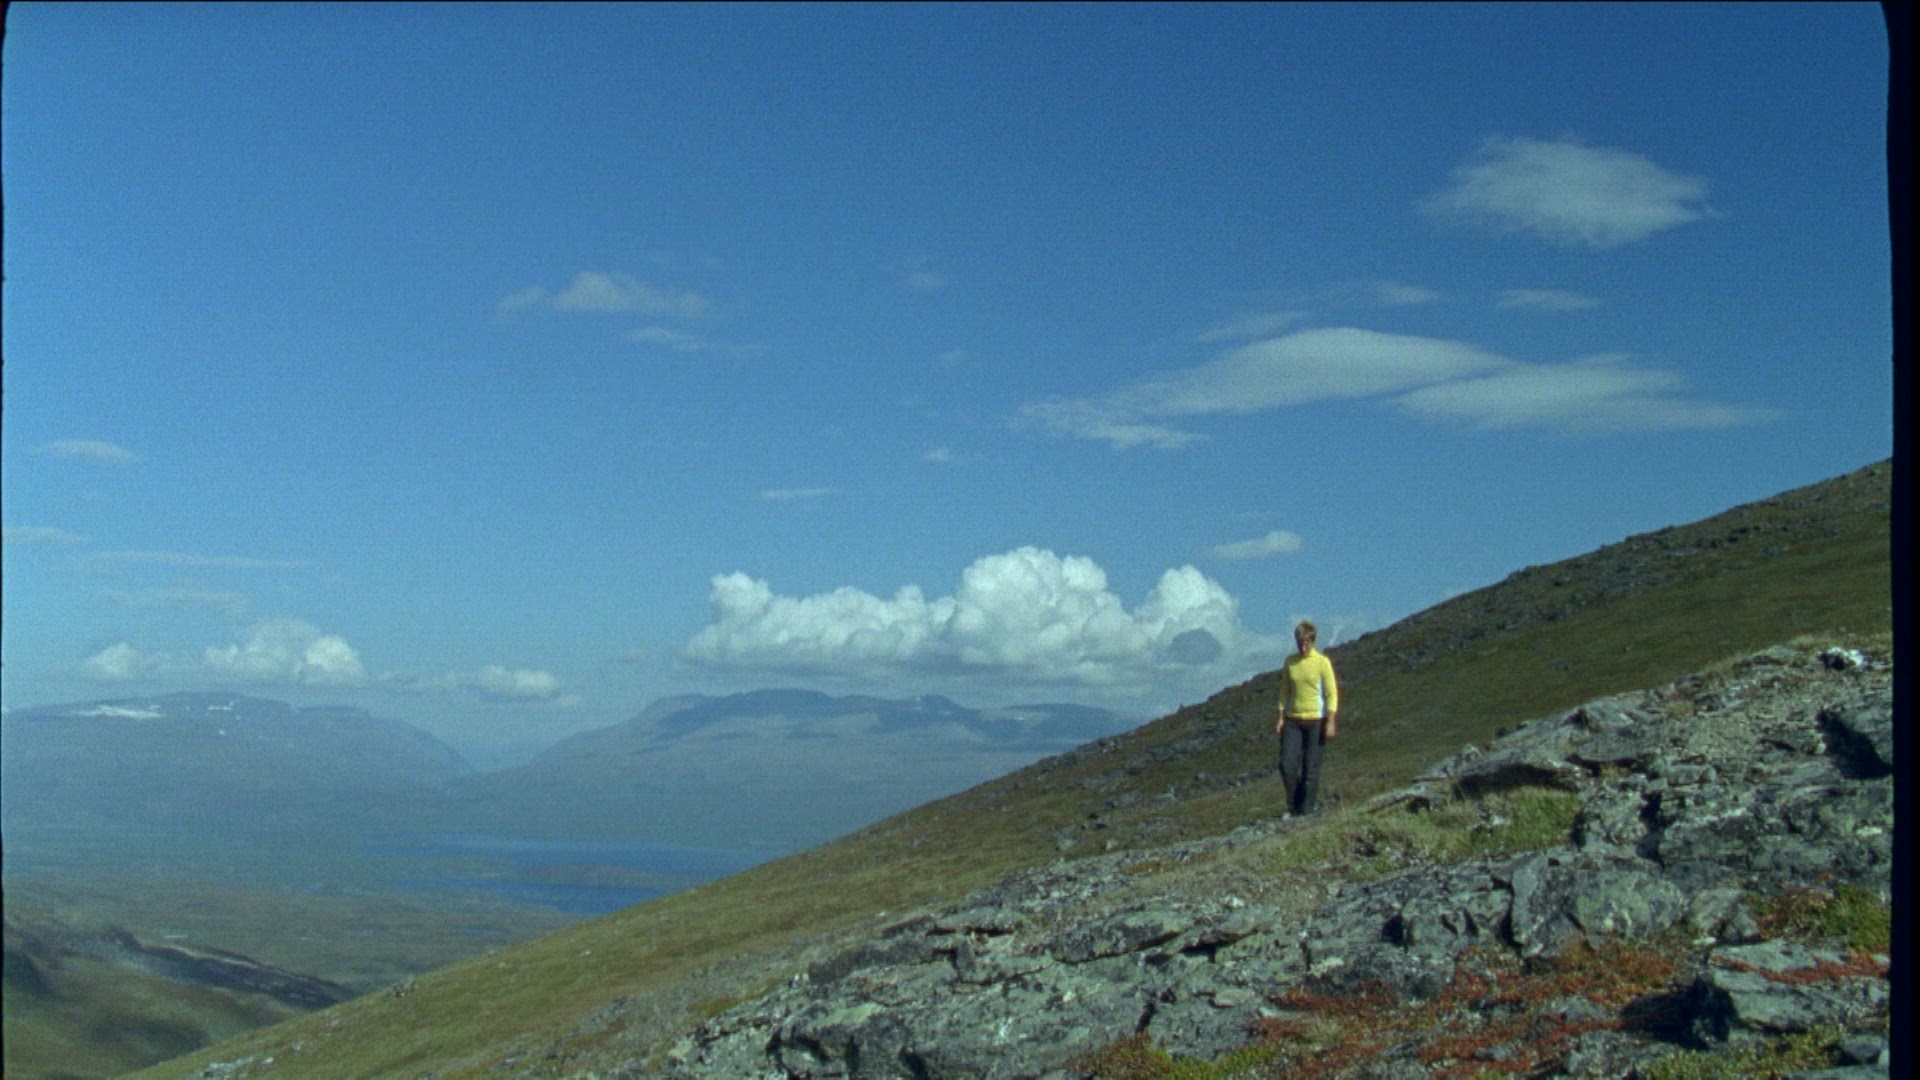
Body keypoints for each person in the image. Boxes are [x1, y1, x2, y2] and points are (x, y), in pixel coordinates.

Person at [1275, 619, 1338, 816]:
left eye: (1307, 643)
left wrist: (1331, 721)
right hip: (1293, 720)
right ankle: (1294, 803)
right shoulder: (1290, 662)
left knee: (1310, 769)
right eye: (1300, 643)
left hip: (1316, 721)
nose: (1303, 648)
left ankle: (1306, 811)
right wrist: (1281, 717)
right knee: (1286, 764)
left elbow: (1331, 693)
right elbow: (1284, 691)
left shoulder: (1322, 662)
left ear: (1313, 641)